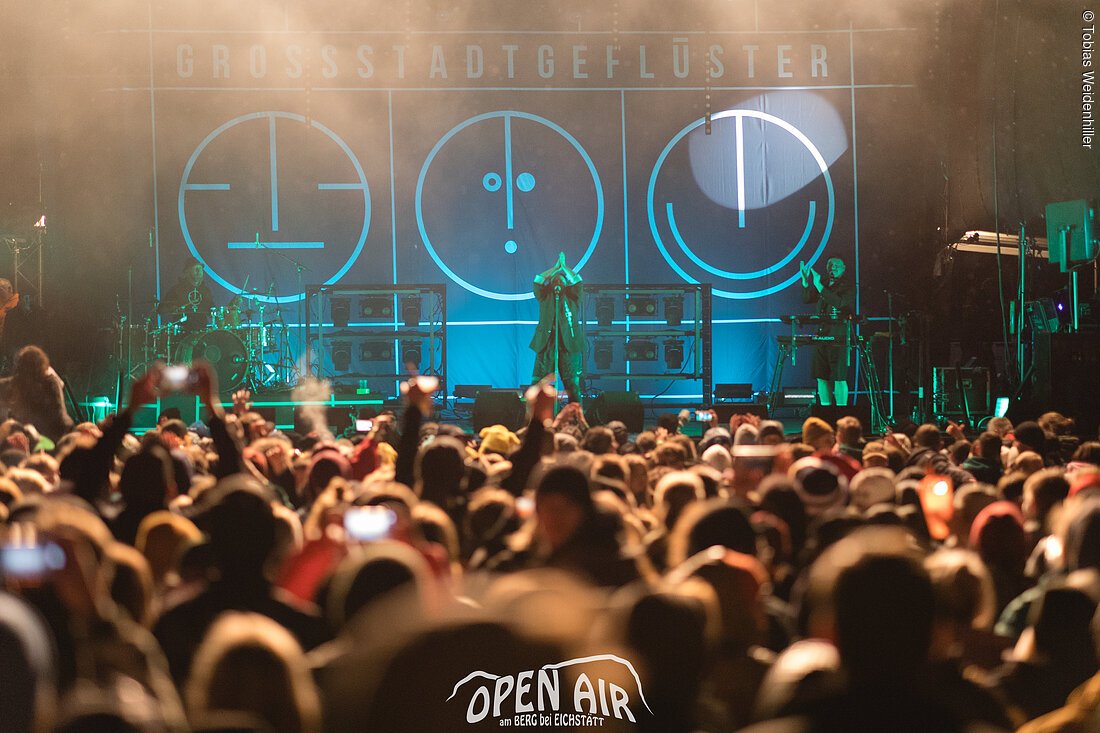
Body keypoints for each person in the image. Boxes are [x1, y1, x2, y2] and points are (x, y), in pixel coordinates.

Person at [530, 251, 584, 403]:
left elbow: (578, 281)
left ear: (566, 285)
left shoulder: (573, 297)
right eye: (555, 281)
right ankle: (537, 419)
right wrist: (554, 269)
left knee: (572, 385)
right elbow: (538, 280)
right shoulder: (545, 297)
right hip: (546, 344)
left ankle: (575, 418)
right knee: (538, 383)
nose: (558, 283)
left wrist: (564, 267)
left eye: (561, 281)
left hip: (568, 345)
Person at [800, 257, 855, 406]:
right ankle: (825, 411)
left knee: (839, 377)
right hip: (821, 336)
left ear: (844, 268)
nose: (833, 268)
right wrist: (806, 283)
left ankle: (841, 414)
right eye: (830, 265)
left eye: (837, 265)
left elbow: (840, 303)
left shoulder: (848, 286)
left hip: (839, 338)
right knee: (821, 376)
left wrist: (819, 286)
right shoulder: (823, 283)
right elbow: (807, 299)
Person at [0, 344, 73, 441]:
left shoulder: (49, 382)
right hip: (52, 435)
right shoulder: (50, 381)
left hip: (49, 435)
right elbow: (61, 416)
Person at [158, 262, 213, 329]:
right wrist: (172, 308)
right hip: (183, 331)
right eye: (196, 269)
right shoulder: (177, 290)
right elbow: (161, 309)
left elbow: (211, 310)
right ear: (187, 272)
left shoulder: (205, 291)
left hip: (201, 331)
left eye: (200, 269)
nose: (199, 272)